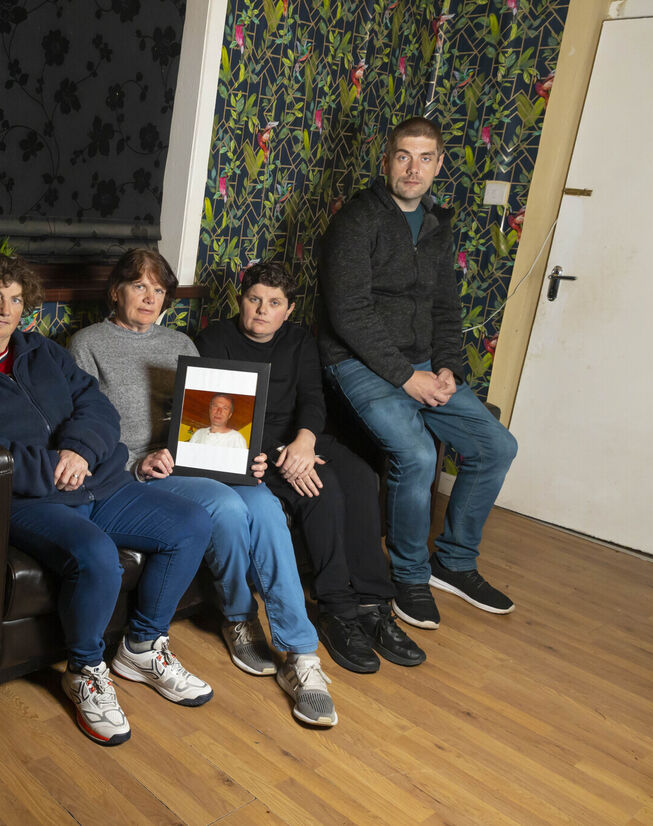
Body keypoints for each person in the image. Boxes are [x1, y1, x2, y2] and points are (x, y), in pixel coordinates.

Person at [0, 253, 215, 747]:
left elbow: (96, 407)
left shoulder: (42, 351)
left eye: (15, 298)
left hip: (99, 479)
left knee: (191, 524)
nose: (5, 309)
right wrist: (53, 467)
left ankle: (142, 645)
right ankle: (86, 670)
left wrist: (79, 450)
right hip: (29, 498)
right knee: (97, 555)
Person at [70, 249, 339, 727]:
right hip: (138, 470)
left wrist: (244, 454)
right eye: (139, 287)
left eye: (158, 290)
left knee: (267, 506)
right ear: (117, 291)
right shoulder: (87, 344)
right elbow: (85, 425)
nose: (150, 298)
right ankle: (237, 616)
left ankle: (301, 654)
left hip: (194, 459)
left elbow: (209, 417)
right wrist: (138, 463)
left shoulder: (181, 343)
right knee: (228, 509)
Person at [317, 116, 519, 630]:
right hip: (357, 361)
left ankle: (451, 562)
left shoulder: (436, 226)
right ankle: (409, 577)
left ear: (439, 164)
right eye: (403, 156)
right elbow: (350, 313)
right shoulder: (356, 220)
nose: (413, 168)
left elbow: (446, 309)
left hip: (425, 363)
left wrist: (447, 367)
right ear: (386, 161)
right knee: (416, 452)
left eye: (425, 157)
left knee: (497, 446)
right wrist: (409, 378)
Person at [197, 261, 426, 673]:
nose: (262, 310)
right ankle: (337, 610)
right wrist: (284, 452)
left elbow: (312, 398)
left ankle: (373, 604)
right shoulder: (215, 339)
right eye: (254, 299)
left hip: (303, 438)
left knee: (361, 476)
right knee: (322, 487)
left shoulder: (300, 340)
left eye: (274, 303)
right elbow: (221, 414)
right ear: (240, 299)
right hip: (253, 447)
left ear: (288, 309)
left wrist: (305, 440)